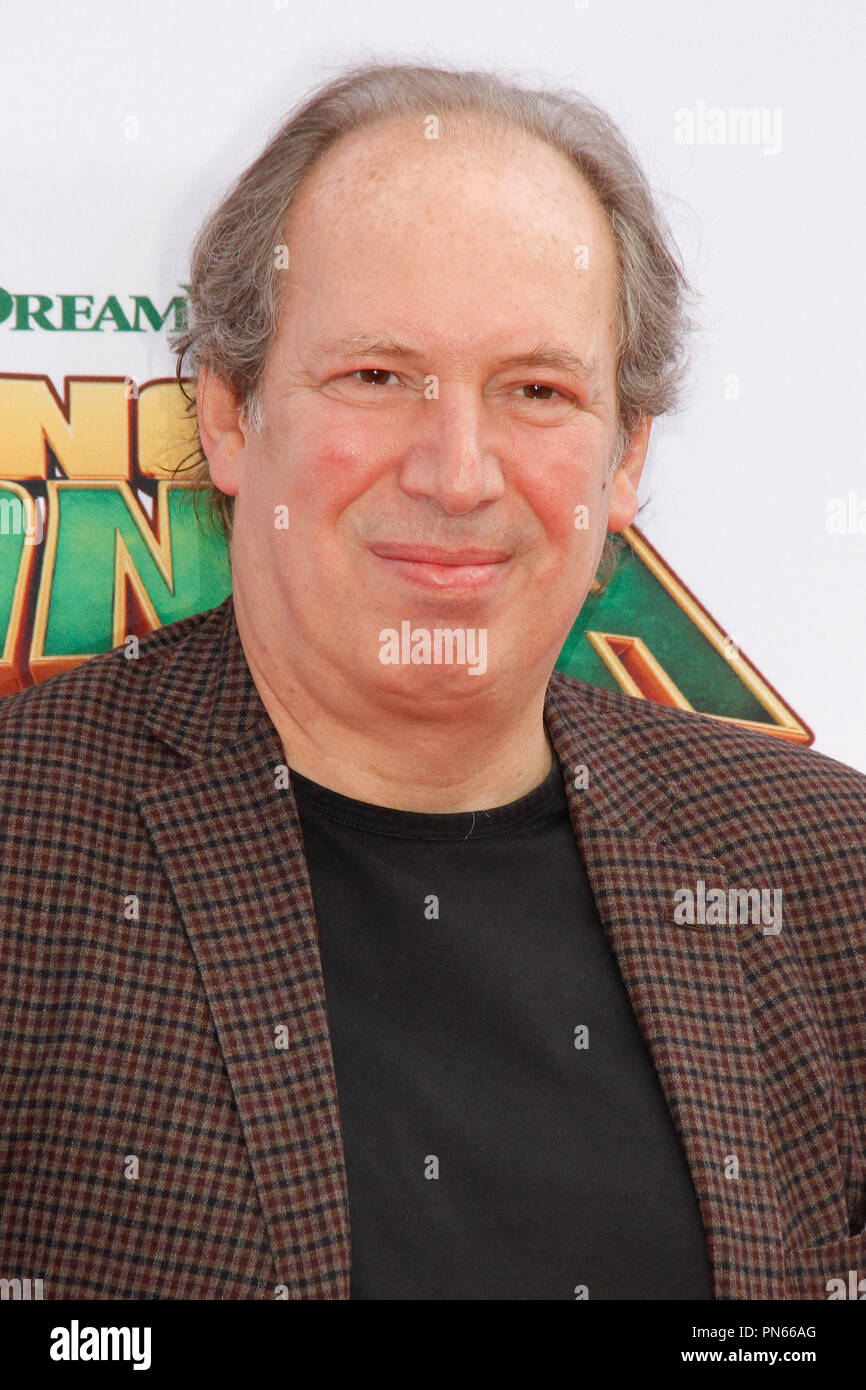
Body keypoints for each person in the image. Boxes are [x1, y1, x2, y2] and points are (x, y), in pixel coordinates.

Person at [1, 59, 864, 1302]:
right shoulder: (24, 842)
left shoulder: (822, 868)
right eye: (375, 376)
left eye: (536, 391)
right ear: (230, 413)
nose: (457, 473)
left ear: (624, 457)